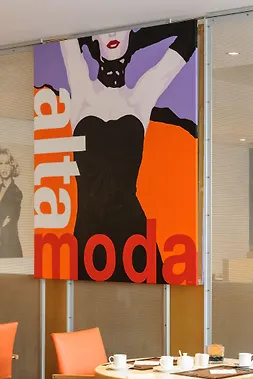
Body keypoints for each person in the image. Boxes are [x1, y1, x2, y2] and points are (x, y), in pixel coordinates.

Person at [60, 22, 196, 282]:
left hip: (133, 230)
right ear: (93, 39)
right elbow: (66, 37)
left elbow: (190, 35)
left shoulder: (140, 97)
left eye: (120, 30)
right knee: (87, 304)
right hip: (89, 232)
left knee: (149, 306)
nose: (112, 34)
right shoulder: (82, 90)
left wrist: (138, 39)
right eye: (104, 31)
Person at [0, 147, 23, 258]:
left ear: (12, 166)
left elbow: (7, 221)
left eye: (7, 163)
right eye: (0, 163)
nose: (4, 167)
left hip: (10, 249)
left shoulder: (16, 193)